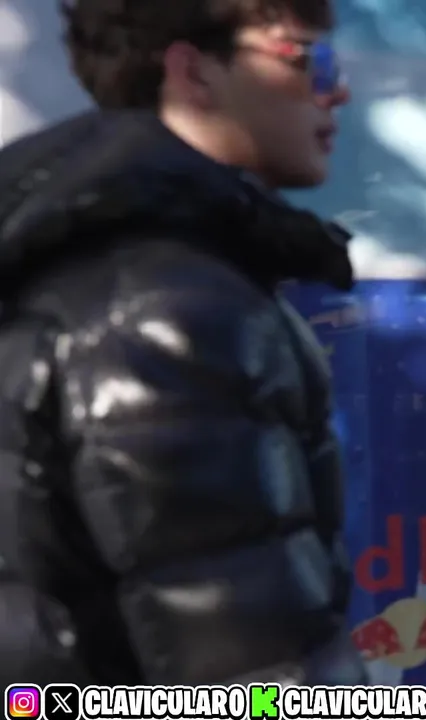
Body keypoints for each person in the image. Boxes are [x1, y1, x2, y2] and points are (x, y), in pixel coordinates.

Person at [0, 0, 366, 685]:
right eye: (308, 59)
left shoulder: (72, 266)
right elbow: (252, 682)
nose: (336, 89)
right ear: (193, 72)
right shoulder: (170, 308)